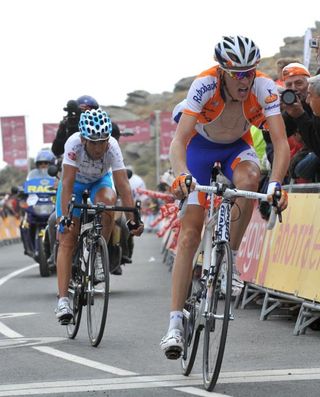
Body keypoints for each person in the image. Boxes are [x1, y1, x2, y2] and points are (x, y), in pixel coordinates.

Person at [160, 35, 290, 358]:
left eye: (250, 72)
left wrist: (276, 184)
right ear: (223, 73)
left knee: (251, 177)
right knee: (190, 232)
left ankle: (228, 258)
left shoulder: (264, 88)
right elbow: (178, 142)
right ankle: (174, 324)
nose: (245, 80)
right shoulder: (204, 85)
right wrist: (181, 175)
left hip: (236, 146)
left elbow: (281, 143)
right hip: (198, 150)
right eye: (238, 74)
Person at [54, 109, 144, 324]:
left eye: (102, 142)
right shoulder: (73, 144)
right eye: (93, 142)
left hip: (99, 183)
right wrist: (65, 216)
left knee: (108, 202)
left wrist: (133, 219)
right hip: (74, 184)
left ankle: (96, 251)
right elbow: (66, 182)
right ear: (84, 139)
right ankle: (63, 300)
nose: (98, 148)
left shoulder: (112, 146)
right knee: (67, 238)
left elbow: (122, 183)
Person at [280, 63, 320, 182]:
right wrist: (275, 113)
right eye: (289, 85)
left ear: (309, 84)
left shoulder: (316, 102)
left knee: (305, 166)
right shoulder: (294, 107)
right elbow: (271, 138)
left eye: (298, 83)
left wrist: (300, 115)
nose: (294, 88)